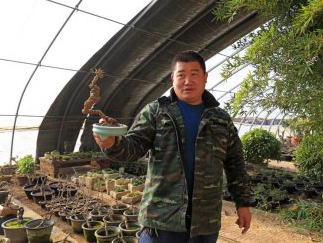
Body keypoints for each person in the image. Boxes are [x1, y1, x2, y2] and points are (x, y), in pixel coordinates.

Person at [94, 50, 253, 243]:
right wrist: (112, 143)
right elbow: (134, 147)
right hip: (161, 221)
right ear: (172, 78)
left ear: (205, 77)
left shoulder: (220, 119)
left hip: (205, 222)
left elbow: (235, 162)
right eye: (181, 75)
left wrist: (242, 203)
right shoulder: (156, 112)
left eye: (194, 74)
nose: (188, 80)